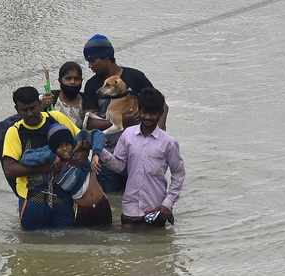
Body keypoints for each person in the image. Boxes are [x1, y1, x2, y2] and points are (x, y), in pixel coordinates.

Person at [81, 34, 169, 193]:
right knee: (111, 202)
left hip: (140, 154)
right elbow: (89, 124)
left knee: (145, 197)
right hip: (107, 155)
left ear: (107, 57)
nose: (90, 66)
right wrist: (121, 121)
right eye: (88, 61)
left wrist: (160, 134)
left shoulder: (135, 77)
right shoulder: (92, 85)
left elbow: (162, 106)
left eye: (93, 60)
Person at [99, 87, 185, 228]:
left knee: (156, 247)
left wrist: (167, 203)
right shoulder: (127, 135)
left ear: (160, 114)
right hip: (130, 208)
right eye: (145, 112)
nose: (148, 117)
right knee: (130, 246)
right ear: (139, 110)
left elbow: (179, 173)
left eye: (153, 114)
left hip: (156, 208)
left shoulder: (168, 142)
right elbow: (120, 166)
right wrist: (99, 151)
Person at [2, 86, 80, 230]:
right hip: (32, 199)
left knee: (68, 239)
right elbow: (10, 170)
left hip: (62, 195)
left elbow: (81, 141)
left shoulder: (56, 118)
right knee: (31, 241)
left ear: (39, 104)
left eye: (33, 108)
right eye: (24, 110)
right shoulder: (14, 132)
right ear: (17, 109)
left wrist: (67, 160)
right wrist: (48, 167)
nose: (30, 113)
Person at [21, 124, 112, 227]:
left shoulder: (80, 147)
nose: (64, 149)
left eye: (67, 144)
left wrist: (96, 154)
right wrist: (52, 155)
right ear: (53, 147)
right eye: (59, 146)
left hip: (102, 204)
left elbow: (98, 134)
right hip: (83, 211)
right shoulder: (51, 157)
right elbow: (26, 158)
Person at [41, 62, 85, 128]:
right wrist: (42, 107)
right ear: (60, 80)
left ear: (81, 81)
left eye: (76, 79)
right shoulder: (51, 99)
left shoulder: (87, 100)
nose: (72, 82)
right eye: (68, 78)